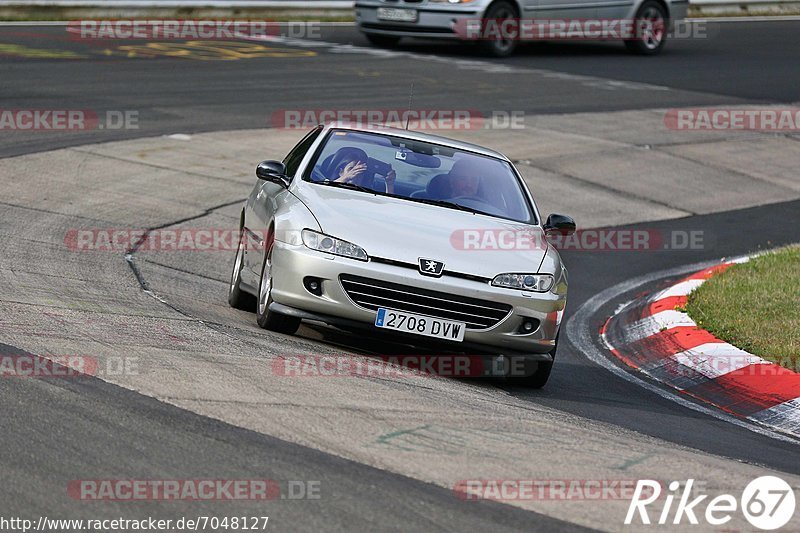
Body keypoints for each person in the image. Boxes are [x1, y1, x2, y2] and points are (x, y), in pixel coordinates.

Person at [325, 146, 396, 194]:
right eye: (351, 169)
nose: (355, 174)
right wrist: (346, 178)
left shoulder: (368, 193)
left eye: (360, 171)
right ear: (341, 172)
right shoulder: (327, 184)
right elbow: (325, 192)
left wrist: (390, 184)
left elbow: (388, 207)